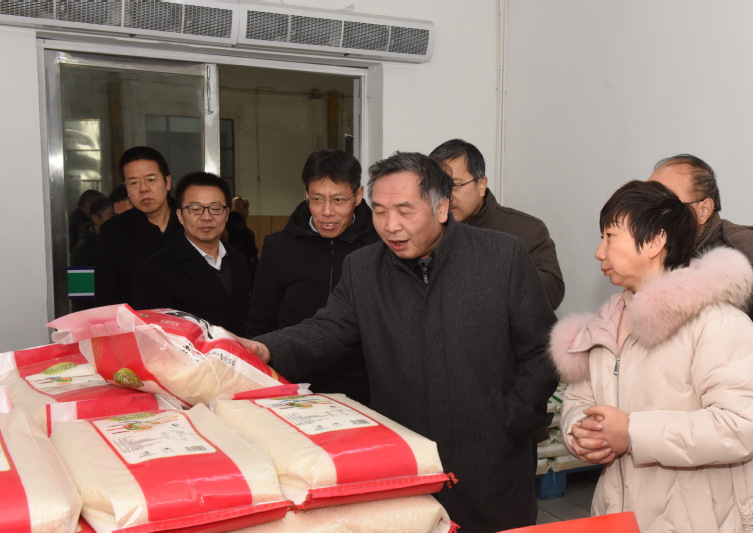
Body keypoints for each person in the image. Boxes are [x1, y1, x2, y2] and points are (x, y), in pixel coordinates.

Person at [238, 151, 558, 532]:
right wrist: (267, 348)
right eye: (379, 211)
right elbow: (328, 328)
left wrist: (510, 420)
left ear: (442, 208)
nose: (391, 226)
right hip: (406, 463)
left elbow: (543, 350)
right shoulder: (363, 268)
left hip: (492, 465)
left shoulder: (501, 257)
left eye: (405, 211)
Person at [549, 180, 753, 532]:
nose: (599, 252)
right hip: (621, 517)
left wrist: (632, 432)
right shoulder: (605, 327)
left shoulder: (716, 323)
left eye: (610, 236)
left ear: (655, 241)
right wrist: (579, 432)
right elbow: (578, 401)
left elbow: (742, 426)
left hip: (706, 521)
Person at [648, 154, 753, 500]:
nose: (653, 214)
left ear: (703, 209)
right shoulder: (653, 260)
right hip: (675, 444)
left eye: (667, 203)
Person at [245, 149, 379, 404]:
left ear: (358, 196)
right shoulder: (279, 247)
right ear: (306, 194)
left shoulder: (378, 247)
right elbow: (260, 322)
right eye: (317, 199)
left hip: (362, 389)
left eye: (338, 200)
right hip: (291, 386)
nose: (327, 211)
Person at [429, 139, 564, 309]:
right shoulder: (425, 230)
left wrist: (498, 265)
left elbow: (552, 294)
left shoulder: (527, 229)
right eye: (438, 187)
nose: (447, 196)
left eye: (455, 185)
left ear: (481, 185)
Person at [132, 172, 251, 336]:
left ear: (227, 214)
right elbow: (154, 337)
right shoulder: (154, 270)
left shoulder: (239, 260)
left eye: (216, 209)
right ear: (180, 216)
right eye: (195, 209)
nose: (207, 217)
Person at [94, 146, 182, 307]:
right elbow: (106, 298)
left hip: (191, 322)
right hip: (135, 322)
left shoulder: (190, 223)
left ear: (167, 182)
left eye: (151, 179)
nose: (143, 189)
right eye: (133, 182)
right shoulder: (113, 232)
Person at [70, 196, 114, 267]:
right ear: (96, 218)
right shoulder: (83, 250)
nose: (117, 220)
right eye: (112, 216)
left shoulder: (118, 240)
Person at [225, 196, 258, 278]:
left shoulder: (249, 233)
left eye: (245, 207)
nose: (241, 210)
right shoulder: (223, 231)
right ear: (229, 209)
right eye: (238, 206)